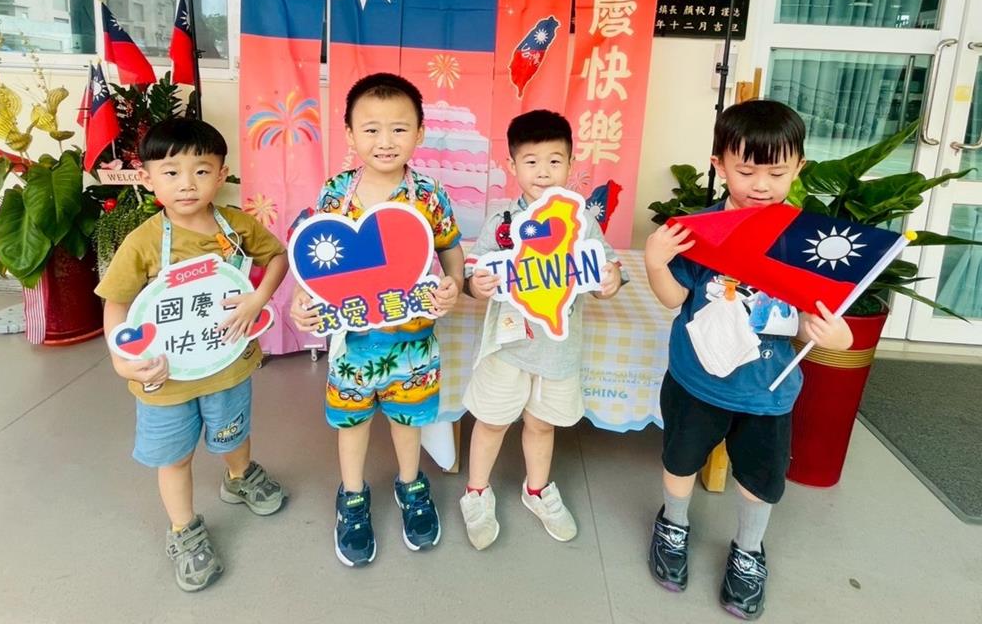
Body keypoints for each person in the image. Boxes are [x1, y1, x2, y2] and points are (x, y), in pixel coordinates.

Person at [644, 99, 853, 620]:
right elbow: (674, 299)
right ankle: (673, 524)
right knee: (679, 463)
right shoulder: (700, 229)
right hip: (696, 381)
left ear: (799, 167)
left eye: (777, 173)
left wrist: (836, 335)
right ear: (718, 165)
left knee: (759, 482)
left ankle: (749, 550)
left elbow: (811, 322)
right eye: (746, 171)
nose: (761, 185)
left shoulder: (810, 242)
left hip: (769, 390)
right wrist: (655, 261)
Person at [96, 117, 289, 592]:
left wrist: (258, 298)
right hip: (165, 377)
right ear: (147, 178)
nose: (187, 184)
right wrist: (122, 359)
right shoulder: (143, 242)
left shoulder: (236, 226)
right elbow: (116, 304)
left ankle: (239, 476)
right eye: (171, 172)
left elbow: (277, 257)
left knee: (233, 433)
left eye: (201, 171)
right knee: (175, 457)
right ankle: (184, 530)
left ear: (221, 175)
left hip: (227, 365)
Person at [289, 73, 464, 567]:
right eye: (370, 129)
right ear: (349, 134)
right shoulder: (336, 193)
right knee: (353, 421)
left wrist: (453, 285)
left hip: (413, 342)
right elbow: (316, 263)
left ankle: (411, 485)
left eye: (398, 129)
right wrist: (303, 299)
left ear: (420, 132)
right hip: (353, 345)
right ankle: (352, 496)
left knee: (408, 420)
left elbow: (451, 252)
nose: (385, 141)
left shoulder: (429, 194)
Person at [458, 109, 624, 550]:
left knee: (542, 424)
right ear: (512, 165)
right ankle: (476, 492)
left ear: (571, 164)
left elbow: (607, 269)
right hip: (507, 346)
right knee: (492, 422)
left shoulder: (583, 222)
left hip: (558, 350)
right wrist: (476, 284)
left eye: (555, 160)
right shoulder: (502, 222)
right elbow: (473, 273)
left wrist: (610, 280)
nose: (544, 172)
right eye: (531, 161)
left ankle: (536, 490)